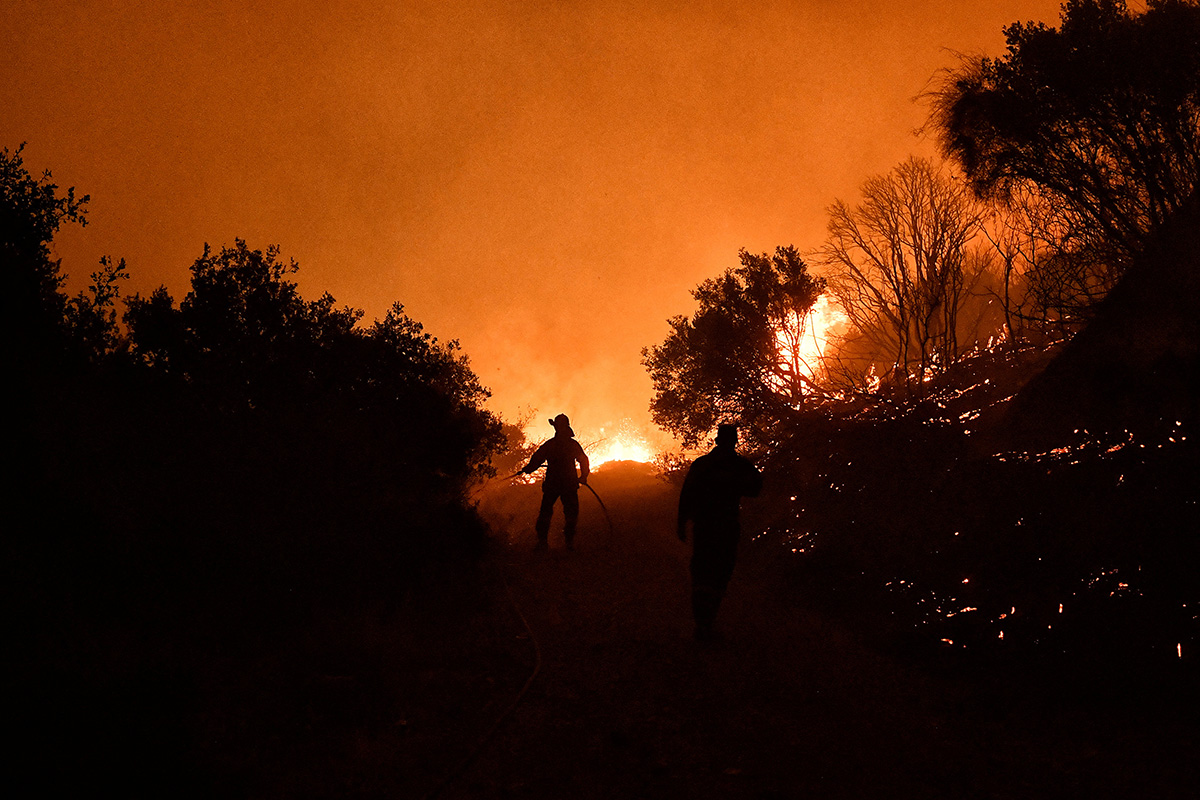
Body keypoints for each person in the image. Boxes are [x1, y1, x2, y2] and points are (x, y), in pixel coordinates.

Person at [677, 424, 763, 640]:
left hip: (705, 526)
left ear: (716, 441)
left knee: (702, 570)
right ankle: (708, 621)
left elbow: (687, 494)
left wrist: (681, 522)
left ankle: (702, 623)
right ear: (734, 441)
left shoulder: (703, 464)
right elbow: (756, 489)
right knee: (721, 572)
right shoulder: (740, 466)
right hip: (726, 526)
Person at [521, 414, 590, 551]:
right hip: (569, 483)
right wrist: (583, 476)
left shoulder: (550, 445)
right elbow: (583, 460)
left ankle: (543, 542)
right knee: (570, 513)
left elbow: (537, 459)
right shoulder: (572, 445)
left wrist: (528, 469)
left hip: (553, 483)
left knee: (546, 512)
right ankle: (568, 543)